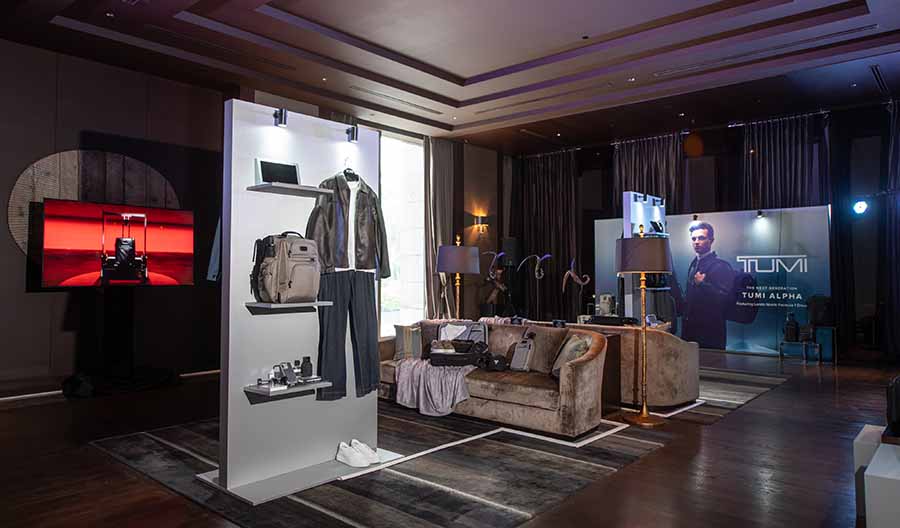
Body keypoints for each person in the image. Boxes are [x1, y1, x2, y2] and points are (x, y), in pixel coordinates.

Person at [680, 222, 734, 349]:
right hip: (690, 330)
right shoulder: (694, 264)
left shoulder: (721, 266)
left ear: (711, 240)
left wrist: (702, 284)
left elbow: (724, 299)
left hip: (710, 332)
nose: (696, 242)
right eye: (694, 239)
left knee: (711, 361)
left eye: (701, 238)